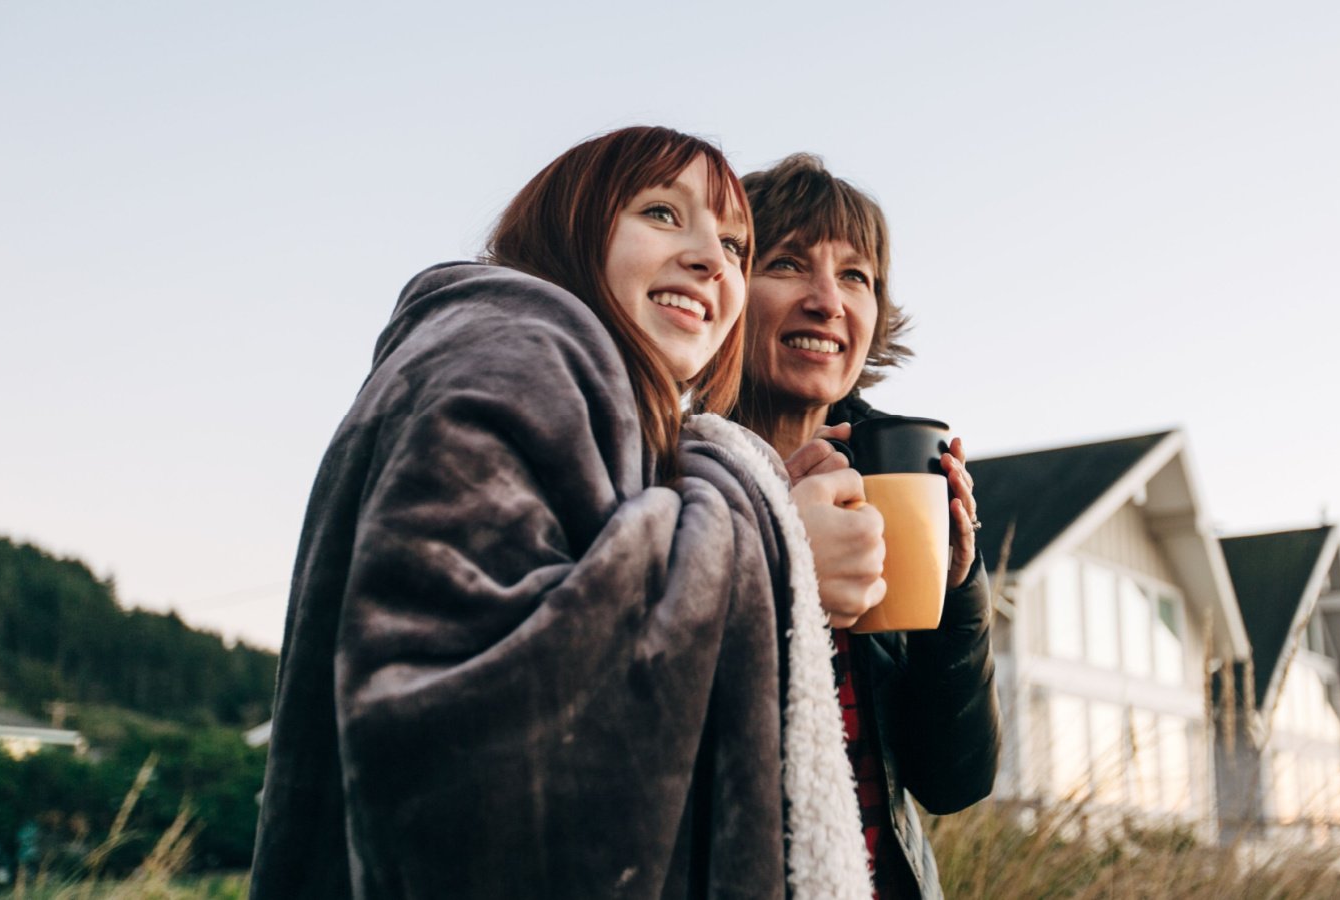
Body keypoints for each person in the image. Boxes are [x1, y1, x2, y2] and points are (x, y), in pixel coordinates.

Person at [250, 128, 881, 899]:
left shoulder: (566, 382)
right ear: (571, 222)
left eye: (734, 245)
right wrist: (775, 542)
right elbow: (459, 735)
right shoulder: (508, 352)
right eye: (661, 212)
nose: (710, 259)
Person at [733, 154, 1002, 900]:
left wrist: (957, 594)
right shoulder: (666, 476)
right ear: (723, 286)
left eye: (857, 277)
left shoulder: (899, 479)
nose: (828, 300)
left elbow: (953, 781)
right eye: (787, 263)